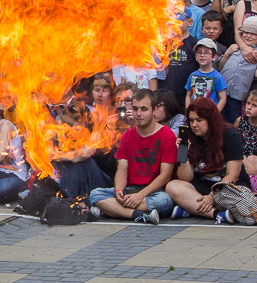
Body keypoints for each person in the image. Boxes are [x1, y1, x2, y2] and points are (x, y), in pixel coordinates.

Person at [88, 88, 176, 224]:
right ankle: (138, 214)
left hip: (154, 192)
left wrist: (139, 196)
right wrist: (119, 191)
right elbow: (122, 168)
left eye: (144, 109)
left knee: (164, 201)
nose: (138, 114)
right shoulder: (127, 135)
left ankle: (113, 210)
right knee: (95, 194)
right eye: (135, 109)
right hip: (130, 189)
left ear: (154, 110)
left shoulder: (167, 135)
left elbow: (165, 176)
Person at [166, 97, 248, 223]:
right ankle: (216, 214)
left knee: (228, 199)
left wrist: (212, 196)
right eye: (192, 120)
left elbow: (233, 175)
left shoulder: (230, 135)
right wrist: (182, 153)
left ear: (211, 120)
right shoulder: (188, 135)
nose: (194, 125)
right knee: (172, 186)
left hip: (227, 186)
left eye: (199, 120)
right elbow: (185, 178)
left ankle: (191, 208)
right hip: (201, 187)